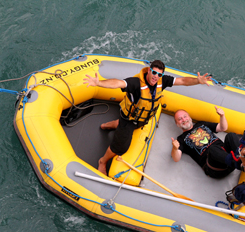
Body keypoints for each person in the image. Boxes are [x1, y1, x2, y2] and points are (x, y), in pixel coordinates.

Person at [83, 60, 212, 175]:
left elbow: (182, 81)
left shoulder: (162, 81)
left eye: (159, 74)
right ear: (149, 70)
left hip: (144, 118)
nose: (156, 77)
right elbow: (118, 83)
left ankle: (107, 125)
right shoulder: (135, 83)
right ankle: (102, 161)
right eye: (154, 73)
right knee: (120, 147)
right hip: (129, 120)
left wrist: (197, 81)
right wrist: (99, 83)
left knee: (124, 126)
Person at [171, 107, 240, 179]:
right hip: (216, 168)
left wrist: (222, 116)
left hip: (226, 156)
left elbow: (223, 128)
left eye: (185, 116)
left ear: (189, 117)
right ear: (177, 124)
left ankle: (242, 158)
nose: (184, 120)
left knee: (231, 136)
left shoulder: (201, 124)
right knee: (213, 149)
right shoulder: (181, 139)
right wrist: (175, 148)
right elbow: (176, 159)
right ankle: (237, 163)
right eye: (180, 119)